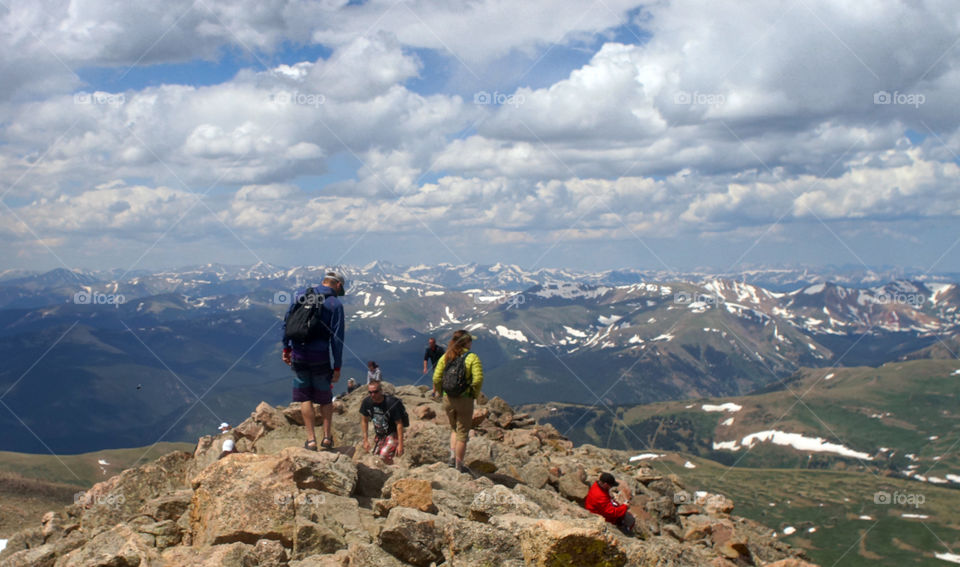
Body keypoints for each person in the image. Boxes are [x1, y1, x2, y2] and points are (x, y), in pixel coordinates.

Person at [281, 271, 346, 451]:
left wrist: (286, 347)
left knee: (305, 397)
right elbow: (337, 339)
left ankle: (310, 440)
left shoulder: (301, 295)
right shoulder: (335, 304)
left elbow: (288, 321)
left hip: (299, 353)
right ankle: (326, 438)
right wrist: (337, 366)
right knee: (325, 398)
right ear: (338, 285)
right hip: (320, 355)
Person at [432, 330, 483, 473]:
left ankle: (452, 458)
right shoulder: (472, 357)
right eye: (470, 341)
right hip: (464, 399)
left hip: (448, 398)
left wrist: (442, 391)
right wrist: (474, 393)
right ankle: (459, 466)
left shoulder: (446, 356)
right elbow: (478, 379)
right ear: (466, 342)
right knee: (463, 433)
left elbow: (436, 378)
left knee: (454, 428)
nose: (471, 343)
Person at [359, 382, 408, 464]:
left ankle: (391, 469)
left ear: (381, 391)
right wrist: (365, 440)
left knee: (383, 456)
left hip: (393, 432)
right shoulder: (367, 402)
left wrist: (400, 444)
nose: (373, 395)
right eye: (370, 392)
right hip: (380, 434)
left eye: (375, 392)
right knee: (375, 456)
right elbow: (364, 420)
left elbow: (399, 424)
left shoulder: (391, 403)